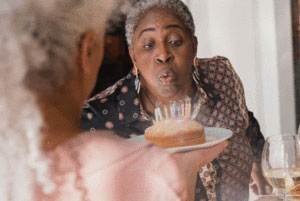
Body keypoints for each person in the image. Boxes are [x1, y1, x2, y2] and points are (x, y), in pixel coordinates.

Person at [0, 0, 227, 200]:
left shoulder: (9, 169)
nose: (163, 55)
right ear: (87, 51)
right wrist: (182, 174)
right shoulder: (138, 170)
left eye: (176, 41)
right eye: (102, 41)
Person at [81, 0, 271, 200]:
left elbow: (245, 121)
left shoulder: (220, 76)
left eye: (175, 41)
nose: (163, 55)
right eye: (148, 45)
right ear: (133, 57)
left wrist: (259, 159)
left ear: (194, 47)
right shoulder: (99, 118)